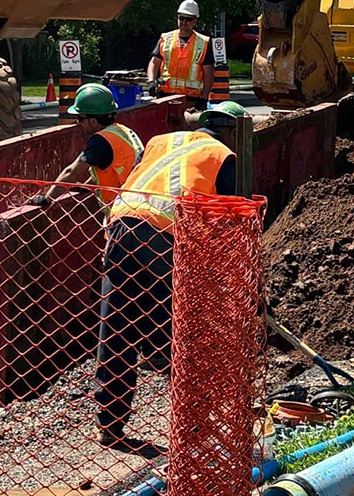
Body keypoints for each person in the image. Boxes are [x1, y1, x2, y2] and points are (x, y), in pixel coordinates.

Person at [94, 102, 243, 452]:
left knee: (117, 328)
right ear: (234, 130)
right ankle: (192, 423)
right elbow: (229, 226)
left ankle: (109, 424)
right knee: (187, 329)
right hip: (161, 238)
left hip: (118, 229)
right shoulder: (223, 156)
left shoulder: (161, 141)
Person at [28, 84, 145, 208]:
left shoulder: (101, 140)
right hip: (140, 201)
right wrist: (87, 185)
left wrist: (47, 198)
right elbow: (110, 167)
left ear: (93, 120)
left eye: (81, 118)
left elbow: (71, 172)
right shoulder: (123, 131)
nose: (78, 122)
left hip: (126, 208)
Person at [146, 0, 211, 112]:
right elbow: (154, 63)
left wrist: (204, 98)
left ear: (195, 21)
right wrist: (151, 81)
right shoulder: (166, 38)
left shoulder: (203, 43)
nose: (184, 22)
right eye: (181, 18)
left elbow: (208, 73)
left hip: (190, 100)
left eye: (188, 19)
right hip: (165, 96)